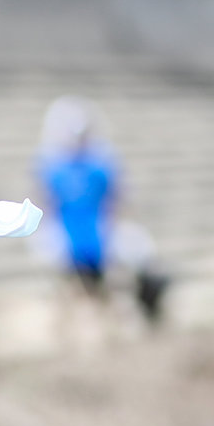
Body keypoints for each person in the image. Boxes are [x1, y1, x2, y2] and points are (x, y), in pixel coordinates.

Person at [35, 94, 169, 327]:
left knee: (108, 291)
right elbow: (49, 205)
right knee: (78, 295)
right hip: (74, 240)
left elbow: (116, 202)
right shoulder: (56, 167)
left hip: (97, 237)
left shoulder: (98, 165)